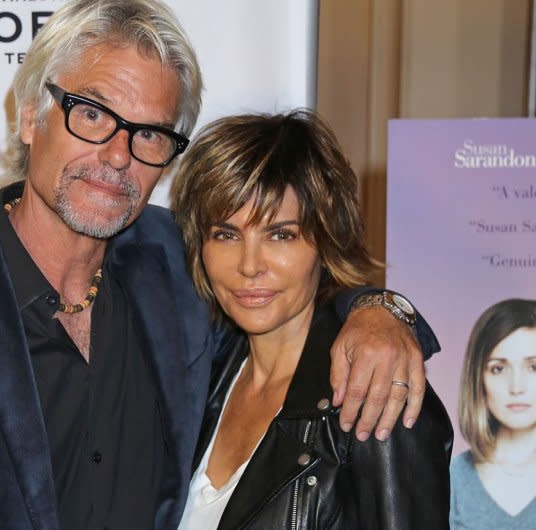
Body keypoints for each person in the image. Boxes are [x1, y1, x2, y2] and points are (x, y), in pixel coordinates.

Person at [0, 2, 438, 529]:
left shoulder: (178, 270)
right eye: (93, 114)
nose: (116, 156)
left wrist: (381, 310)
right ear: (30, 116)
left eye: (149, 133)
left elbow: (292, 279)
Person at [172, 111, 453, 529]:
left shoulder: (373, 395)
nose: (249, 266)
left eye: (281, 234)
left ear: (326, 241)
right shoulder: (201, 378)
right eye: (226, 234)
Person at [450, 298, 536, 528]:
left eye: (534, 367)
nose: (517, 387)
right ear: (478, 378)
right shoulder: (452, 480)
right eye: (498, 369)